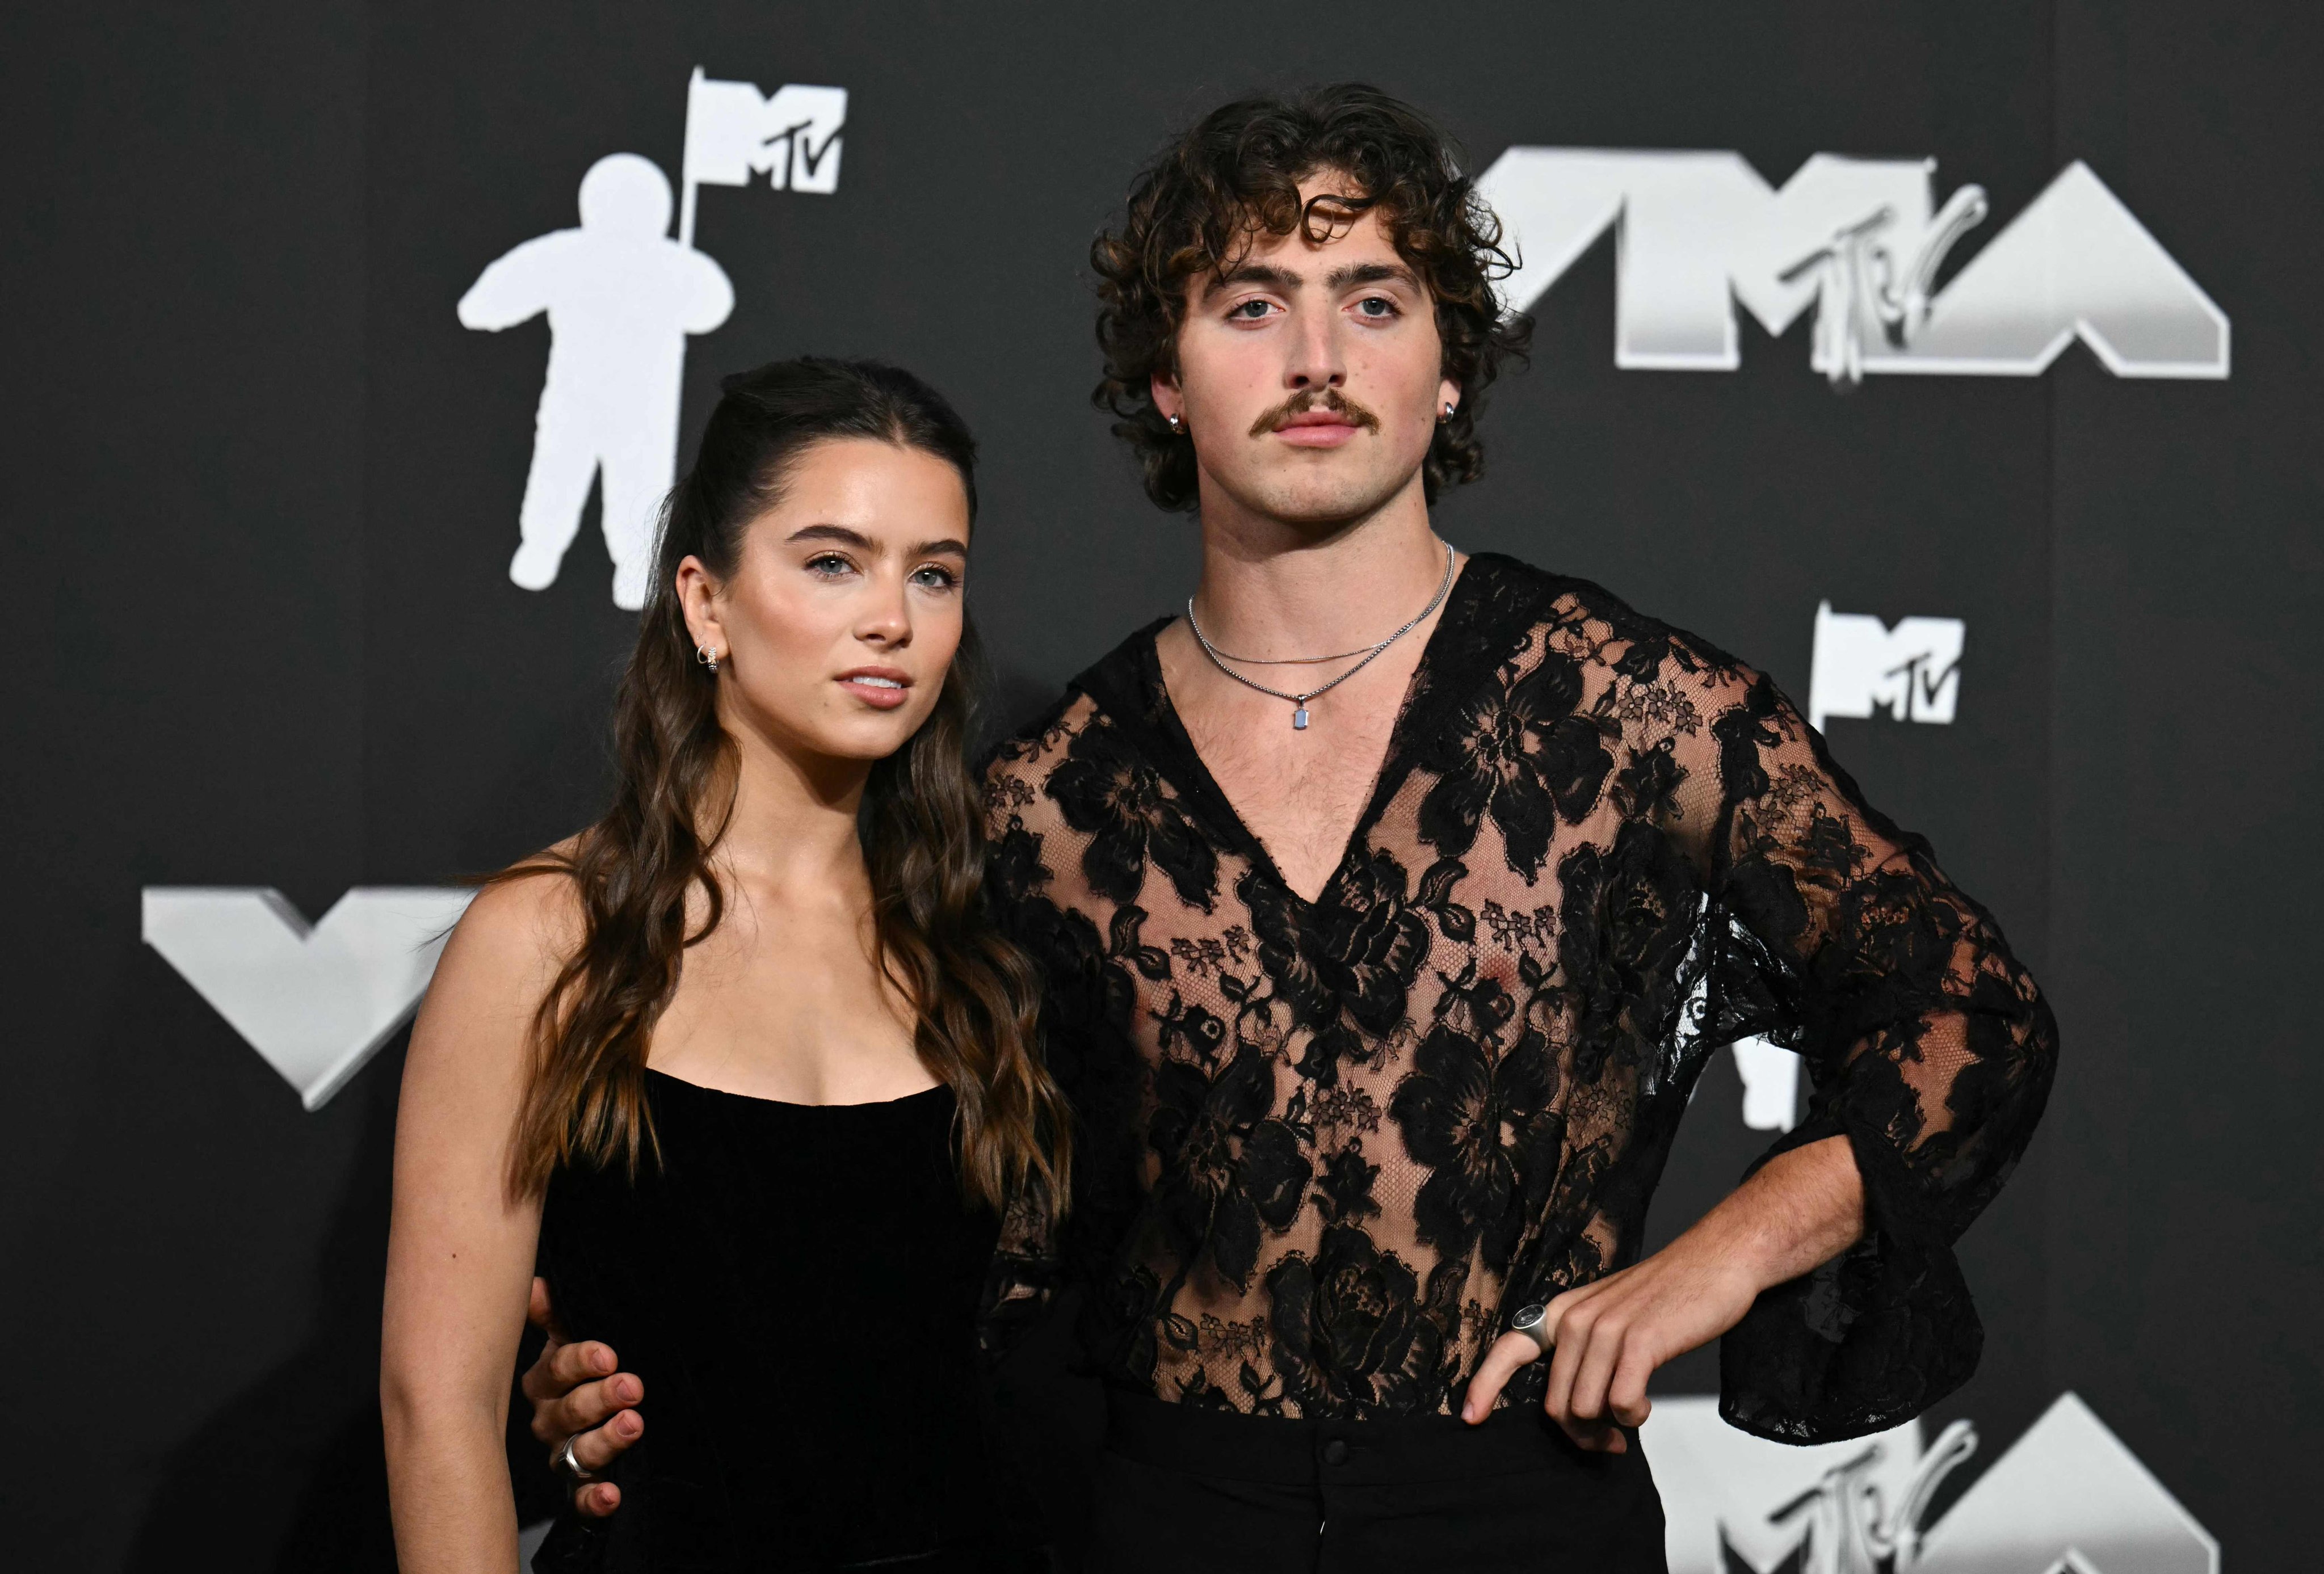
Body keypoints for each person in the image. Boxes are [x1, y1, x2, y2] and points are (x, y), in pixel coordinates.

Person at [526, 86, 2058, 1572]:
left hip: (1523, 1519)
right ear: (1163, 380)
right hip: (1139, 1526)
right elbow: (880, 1248)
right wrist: (591, 1395)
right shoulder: (1040, 801)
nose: (1317, 356)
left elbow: (1964, 1010)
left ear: (1447, 369)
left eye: (1373, 300)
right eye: (1250, 303)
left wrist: (1708, 1262)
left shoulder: (1635, 713)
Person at [381, 357, 1070, 1572]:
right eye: (830, 561)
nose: (891, 620)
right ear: (705, 603)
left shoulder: (979, 940)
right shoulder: (550, 938)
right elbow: (435, 1410)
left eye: (934, 574)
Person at [457, 151, 735, 611]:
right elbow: (487, 301)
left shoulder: (661, 266)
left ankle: (625, 566)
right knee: (563, 477)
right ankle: (545, 548)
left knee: (629, 488)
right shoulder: (578, 256)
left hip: (636, 409)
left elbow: (713, 305)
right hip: (583, 402)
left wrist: (687, 276)